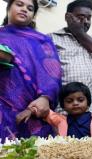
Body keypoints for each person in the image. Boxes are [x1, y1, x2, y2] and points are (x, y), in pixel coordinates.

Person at [48, 0, 92, 132]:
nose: (85, 21)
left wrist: (79, 33)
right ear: (67, 17)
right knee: (66, 151)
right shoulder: (52, 38)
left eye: (89, 18)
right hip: (65, 111)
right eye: (80, 17)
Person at [0, 0, 61, 142]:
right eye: (19, 4)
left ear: (33, 15)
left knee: (34, 150)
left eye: (30, 8)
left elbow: (53, 73)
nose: (24, 10)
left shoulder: (42, 40)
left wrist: (45, 98)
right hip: (3, 104)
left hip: (34, 108)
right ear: (8, 8)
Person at [17, 82, 92, 139]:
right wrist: (30, 110)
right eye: (69, 101)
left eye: (80, 100)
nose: (75, 103)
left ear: (88, 103)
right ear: (63, 106)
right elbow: (44, 111)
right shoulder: (60, 120)